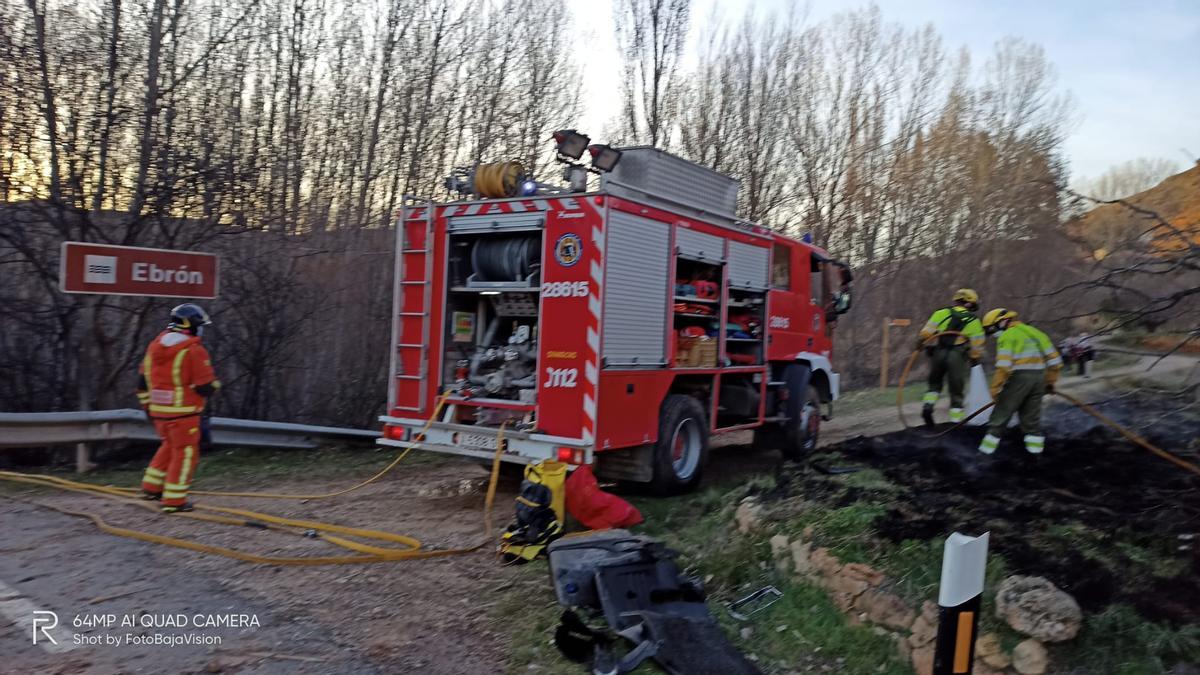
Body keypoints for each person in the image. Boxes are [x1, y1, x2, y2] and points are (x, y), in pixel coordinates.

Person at [136, 304, 221, 513]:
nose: (201, 330)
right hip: (184, 413)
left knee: (168, 448)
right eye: (200, 326)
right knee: (185, 454)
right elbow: (205, 386)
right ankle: (174, 500)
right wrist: (216, 386)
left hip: (159, 413)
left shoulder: (155, 346)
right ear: (191, 325)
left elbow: (142, 381)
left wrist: (147, 406)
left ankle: (151, 487)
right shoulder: (193, 350)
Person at [977, 308, 1062, 455]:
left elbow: (1003, 367)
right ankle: (1036, 456)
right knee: (1031, 421)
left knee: (1000, 416)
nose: (993, 334)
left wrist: (995, 388)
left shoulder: (1007, 336)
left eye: (992, 329)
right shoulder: (1036, 333)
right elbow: (1056, 362)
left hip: (1019, 378)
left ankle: (984, 455)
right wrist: (1050, 382)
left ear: (1003, 322)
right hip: (1040, 378)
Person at [917, 288, 985, 426]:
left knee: (934, 384)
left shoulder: (941, 313)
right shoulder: (974, 321)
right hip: (957, 356)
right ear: (969, 304)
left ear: (956, 300)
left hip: (939, 353)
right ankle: (955, 423)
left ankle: (928, 407)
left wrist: (920, 346)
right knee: (956, 391)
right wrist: (974, 358)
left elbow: (925, 334)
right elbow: (977, 345)